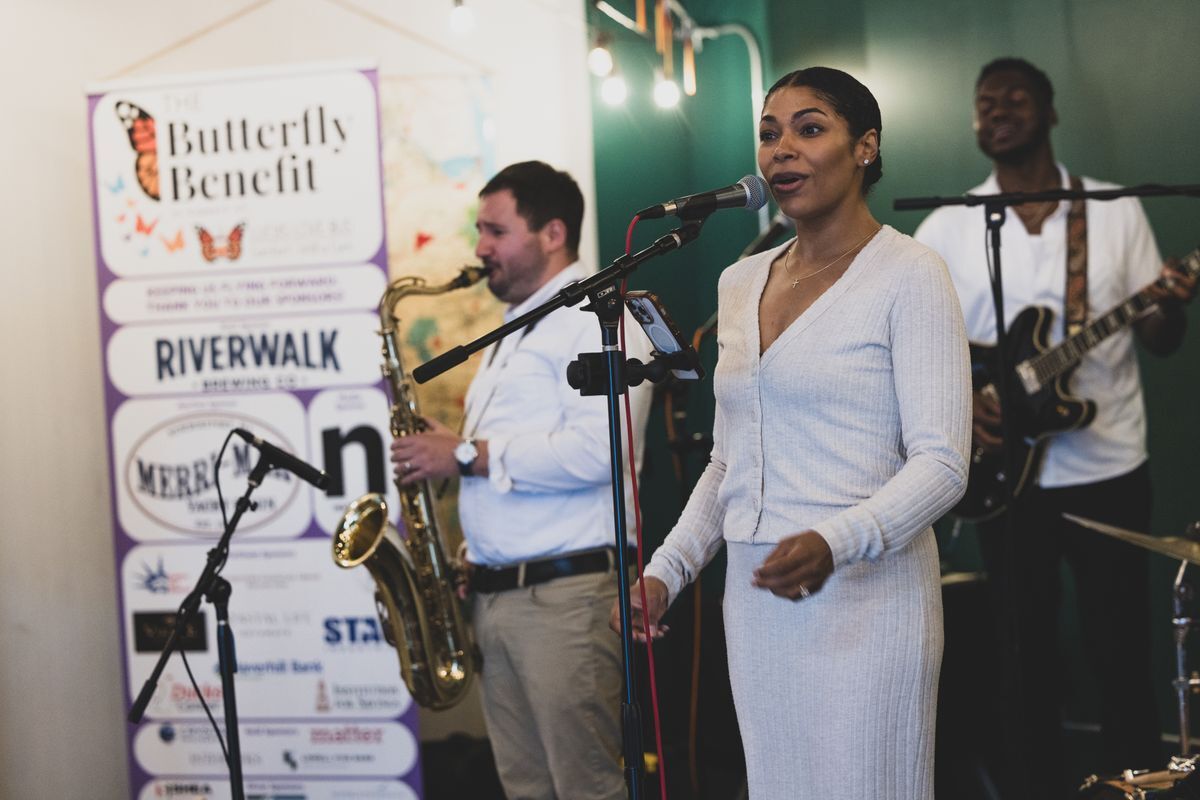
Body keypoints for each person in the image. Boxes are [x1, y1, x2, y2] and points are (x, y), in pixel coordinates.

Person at [617, 67, 971, 798]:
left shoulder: (911, 273)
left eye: (810, 129)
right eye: (769, 133)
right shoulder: (739, 281)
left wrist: (834, 543)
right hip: (757, 602)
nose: (782, 149)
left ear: (866, 146)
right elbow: (728, 461)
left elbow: (942, 464)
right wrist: (666, 571)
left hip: (870, 598)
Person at [914, 57, 1196, 797]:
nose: (997, 111)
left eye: (1014, 98)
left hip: (1109, 467)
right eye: (985, 102)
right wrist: (961, 403)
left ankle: (1136, 787)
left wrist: (1169, 303)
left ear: (1049, 111)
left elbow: (1162, 338)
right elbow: (918, 348)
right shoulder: (949, 224)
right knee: (1022, 659)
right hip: (1003, 478)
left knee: (1120, 653)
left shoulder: (1112, 209)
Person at [390, 160, 654, 800]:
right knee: (527, 790)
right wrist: (474, 547)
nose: (480, 248)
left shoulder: (599, 319)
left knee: (588, 788)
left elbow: (601, 451)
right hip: (499, 598)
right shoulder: (518, 328)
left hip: (565, 603)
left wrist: (464, 455)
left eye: (496, 231)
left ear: (553, 233)